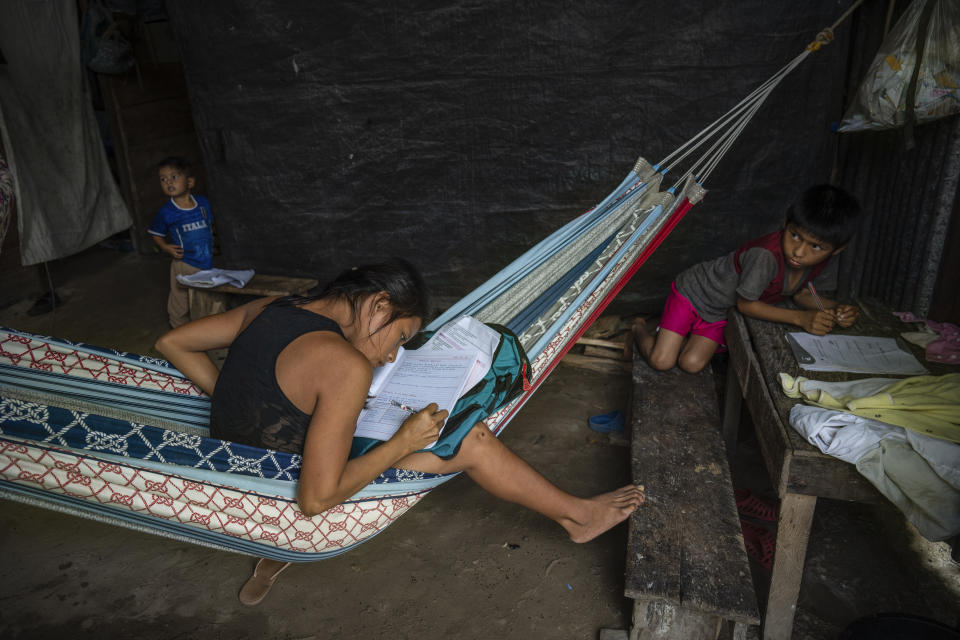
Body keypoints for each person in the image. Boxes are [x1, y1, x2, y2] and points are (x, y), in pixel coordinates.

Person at [155, 258, 645, 605]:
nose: (392, 355)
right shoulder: (343, 366)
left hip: (234, 460)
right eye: (400, 337)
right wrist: (400, 444)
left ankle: (576, 516)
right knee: (468, 438)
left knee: (432, 427)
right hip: (284, 484)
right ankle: (578, 517)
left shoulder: (271, 307)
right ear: (378, 305)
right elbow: (315, 499)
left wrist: (237, 396)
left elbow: (172, 342)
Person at [631, 184, 862, 374]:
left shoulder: (813, 262)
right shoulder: (765, 256)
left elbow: (800, 293)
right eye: (794, 235)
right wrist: (802, 319)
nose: (799, 252)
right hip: (694, 293)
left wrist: (837, 308)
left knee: (691, 364)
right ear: (785, 224)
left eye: (815, 246)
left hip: (720, 312)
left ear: (837, 250)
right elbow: (746, 304)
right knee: (661, 361)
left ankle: (673, 334)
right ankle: (639, 328)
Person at [147, 156, 215, 328]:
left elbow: (209, 225)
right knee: (180, 300)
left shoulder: (203, 203)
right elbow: (155, 233)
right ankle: (178, 328)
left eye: (174, 177)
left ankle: (204, 330)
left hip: (206, 261)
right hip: (183, 262)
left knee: (205, 298)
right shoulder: (167, 212)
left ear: (190, 182)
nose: (168, 182)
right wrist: (164, 247)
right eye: (163, 179)